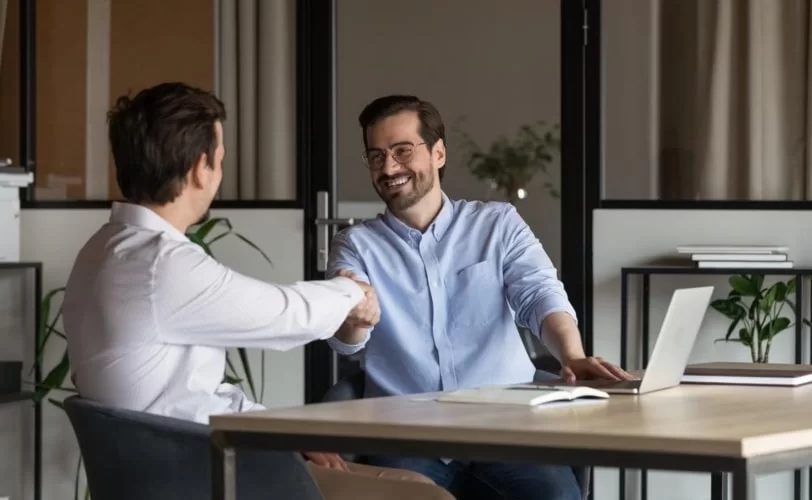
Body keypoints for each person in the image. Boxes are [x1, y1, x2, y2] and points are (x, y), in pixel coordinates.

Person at [61, 83, 453, 500]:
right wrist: (353, 294)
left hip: (178, 463)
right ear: (200, 168)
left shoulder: (104, 249)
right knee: (423, 497)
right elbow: (283, 314)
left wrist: (286, 431)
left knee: (415, 485)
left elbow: (191, 396)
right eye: (221, 159)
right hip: (198, 477)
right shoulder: (160, 264)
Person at [326, 95, 634, 500]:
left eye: (402, 151)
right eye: (376, 156)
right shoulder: (355, 245)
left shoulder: (498, 223)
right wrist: (354, 319)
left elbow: (539, 293)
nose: (388, 167)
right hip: (407, 433)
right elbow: (346, 339)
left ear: (438, 153)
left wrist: (572, 355)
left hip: (505, 427)